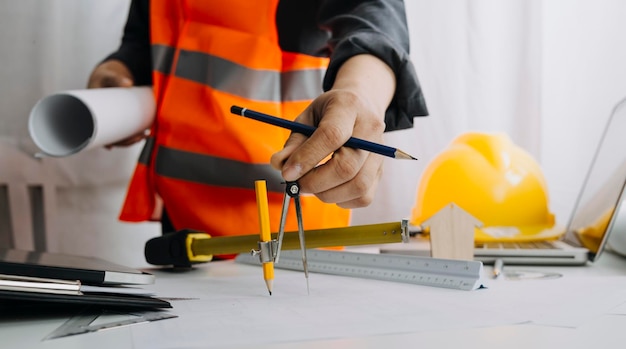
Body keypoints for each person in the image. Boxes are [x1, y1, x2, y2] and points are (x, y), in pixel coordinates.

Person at [87, 0, 428, 244]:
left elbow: (373, 18)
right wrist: (120, 69)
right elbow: (147, 36)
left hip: (287, 216)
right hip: (181, 215)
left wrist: (359, 96)